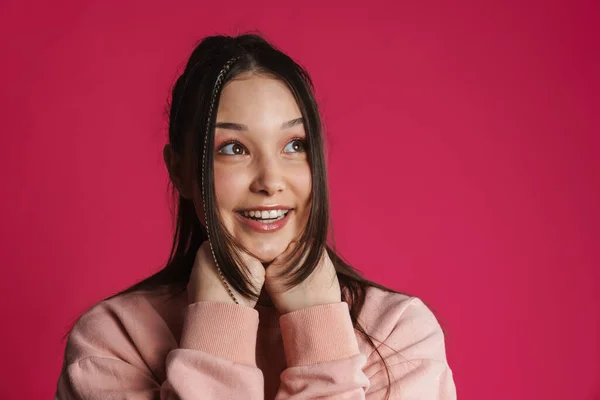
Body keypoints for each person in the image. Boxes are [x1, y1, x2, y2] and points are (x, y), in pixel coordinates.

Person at [55, 33, 456, 399]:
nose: (270, 181)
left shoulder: (397, 335)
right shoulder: (113, 342)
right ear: (179, 170)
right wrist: (217, 326)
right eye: (233, 148)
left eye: (294, 144)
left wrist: (319, 333)